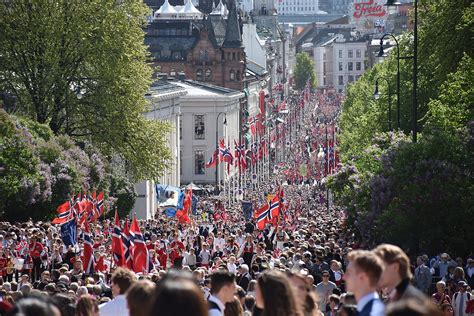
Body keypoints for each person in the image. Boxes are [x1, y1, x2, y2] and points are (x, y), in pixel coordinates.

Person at [342, 250, 384, 316]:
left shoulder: (373, 313)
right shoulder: (365, 309)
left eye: (349, 273)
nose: (344, 277)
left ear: (363, 277)